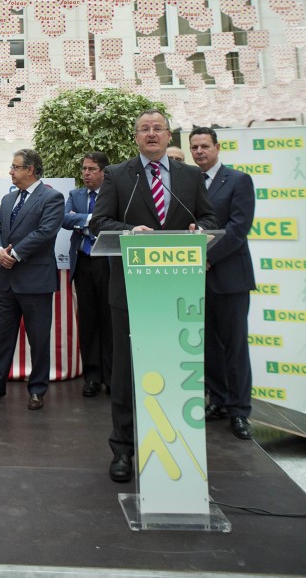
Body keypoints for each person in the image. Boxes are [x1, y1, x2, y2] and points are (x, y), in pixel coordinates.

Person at [90, 109, 217, 482]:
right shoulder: (117, 175)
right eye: (144, 129)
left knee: (175, 368)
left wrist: (199, 230)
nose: (151, 133)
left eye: (157, 128)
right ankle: (123, 449)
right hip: (131, 290)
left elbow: (210, 219)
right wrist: (131, 231)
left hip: (177, 291)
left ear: (168, 135)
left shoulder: (190, 176)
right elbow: (99, 222)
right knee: (127, 371)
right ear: (136, 137)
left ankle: (173, 444)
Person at [0, 148, 65, 411]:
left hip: (36, 280)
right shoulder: (7, 198)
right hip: (7, 281)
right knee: (1, 337)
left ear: (31, 170)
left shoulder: (52, 197)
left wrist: (14, 254)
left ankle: (37, 390)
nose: (10, 172)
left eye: (15, 167)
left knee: (38, 339)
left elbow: (45, 232)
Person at [189, 126, 256, 441]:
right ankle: (217, 400)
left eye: (204, 146)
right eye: (194, 147)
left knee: (234, 346)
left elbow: (238, 228)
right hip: (196, 278)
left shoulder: (239, 181)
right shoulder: (190, 182)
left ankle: (239, 410)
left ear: (217, 147)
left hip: (229, 277)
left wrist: (208, 258)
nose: (199, 152)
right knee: (209, 346)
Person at [62, 152, 112, 398]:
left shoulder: (113, 194)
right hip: (83, 262)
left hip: (107, 263)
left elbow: (113, 223)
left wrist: (81, 222)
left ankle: (111, 377)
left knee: (109, 320)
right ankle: (92, 376)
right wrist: (93, 219)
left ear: (103, 171)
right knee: (88, 321)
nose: (86, 173)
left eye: (91, 169)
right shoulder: (76, 195)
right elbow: (64, 219)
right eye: (84, 169)